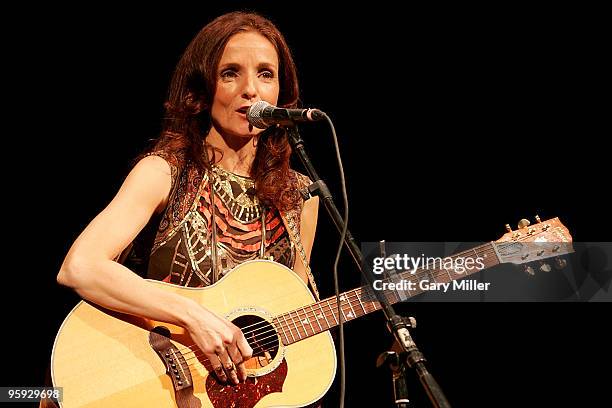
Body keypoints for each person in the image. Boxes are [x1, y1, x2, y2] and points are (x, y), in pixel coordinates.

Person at [53, 10, 320, 405]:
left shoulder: (299, 196)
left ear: (283, 91)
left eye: (266, 74)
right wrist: (193, 318)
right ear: (201, 88)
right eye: (230, 72)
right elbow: (80, 267)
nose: (252, 90)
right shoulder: (164, 171)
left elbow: (290, 317)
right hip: (150, 372)